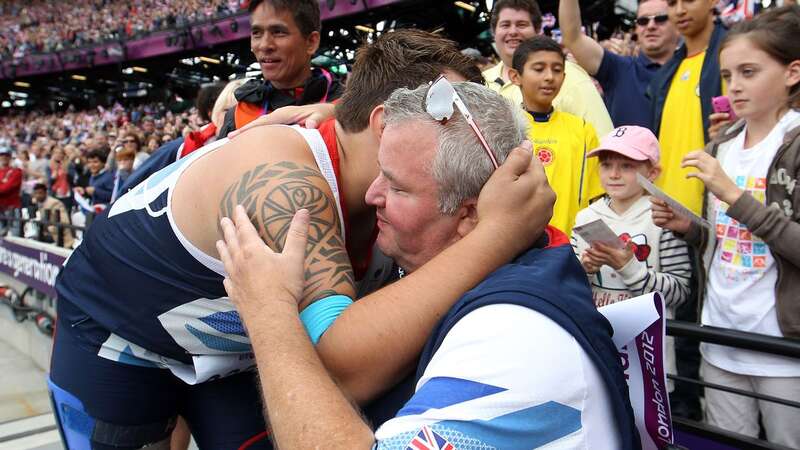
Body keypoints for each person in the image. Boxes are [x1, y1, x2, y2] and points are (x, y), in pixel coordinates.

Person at [49, 29, 552, 450]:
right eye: (453, 114)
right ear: (384, 121)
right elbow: (346, 368)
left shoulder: (372, 166)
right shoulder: (284, 178)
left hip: (236, 352)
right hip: (116, 337)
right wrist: (496, 234)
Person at [216, 80, 639, 450]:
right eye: (380, 173)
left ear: (471, 214)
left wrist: (269, 312)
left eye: (396, 186)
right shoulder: (501, 265)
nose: (371, 196)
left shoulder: (513, 338)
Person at [651, 5, 800, 447]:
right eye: (728, 74)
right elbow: (727, 242)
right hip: (720, 338)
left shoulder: (794, 144)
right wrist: (691, 229)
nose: (735, 86)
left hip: (783, 352)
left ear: (792, 73)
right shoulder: (723, 144)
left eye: (750, 72)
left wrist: (734, 197)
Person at [571, 125, 691, 388]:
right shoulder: (586, 218)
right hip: (599, 345)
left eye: (627, 166)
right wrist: (586, 269)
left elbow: (680, 292)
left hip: (648, 351)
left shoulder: (663, 219)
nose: (614, 174)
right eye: (606, 165)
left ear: (653, 172)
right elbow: (570, 288)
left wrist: (628, 267)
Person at [510, 36, 602, 235]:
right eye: (539, 69)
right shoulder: (505, 130)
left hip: (573, 246)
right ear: (515, 76)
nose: (550, 77)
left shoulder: (582, 129)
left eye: (557, 70)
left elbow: (597, 199)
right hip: (520, 247)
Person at [483, 0, 614, 137]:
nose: (513, 31)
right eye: (505, 25)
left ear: (538, 30)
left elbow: (603, 139)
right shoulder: (481, 81)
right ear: (494, 32)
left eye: (522, 25)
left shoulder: (571, 75)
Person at [215, 0, 344, 137]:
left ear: (311, 42)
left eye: (278, 32)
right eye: (256, 33)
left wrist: (338, 113)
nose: (264, 45)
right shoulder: (238, 116)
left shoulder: (349, 105)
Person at [649, 0, 727, 216]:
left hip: (714, 211)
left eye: (689, 0)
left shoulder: (731, 58)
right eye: (672, 3)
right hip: (666, 213)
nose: (680, 10)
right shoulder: (667, 73)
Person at [559, 0, 680, 129]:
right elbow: (573, 38)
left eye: (660, 19)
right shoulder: (618, 69)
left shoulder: (693, 67)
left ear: (678, 24)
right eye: (643, 21)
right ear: (636, 29)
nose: (651, 26)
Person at [31, 182, 74, 248]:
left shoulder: (55, 203)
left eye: (40, 193)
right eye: (36, 193)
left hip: (61, 239)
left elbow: (65, 222)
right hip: (49, 237)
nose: (38, 195)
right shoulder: (39, 203)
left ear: (45, 193)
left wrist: (49, 229)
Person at [0, 148, 22, 212]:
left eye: (6, 155)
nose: (4, 157)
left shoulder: (16, 171)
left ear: (10, 157)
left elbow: (5, 189)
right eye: (2, 155)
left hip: (11, 207)